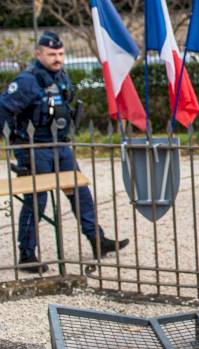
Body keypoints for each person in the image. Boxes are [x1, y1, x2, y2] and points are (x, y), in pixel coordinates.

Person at [0, 31, 129, 274]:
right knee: (37, 201)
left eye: (60, 53)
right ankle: (27, 254)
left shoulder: (60, 75)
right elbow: (3, 110)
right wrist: (14, 142)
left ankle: (97, 241)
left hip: (61, 147)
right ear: (39, 54)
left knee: (81, 194)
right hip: (35, 149)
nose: (57, 58)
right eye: (52, 54)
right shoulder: (27, 81)